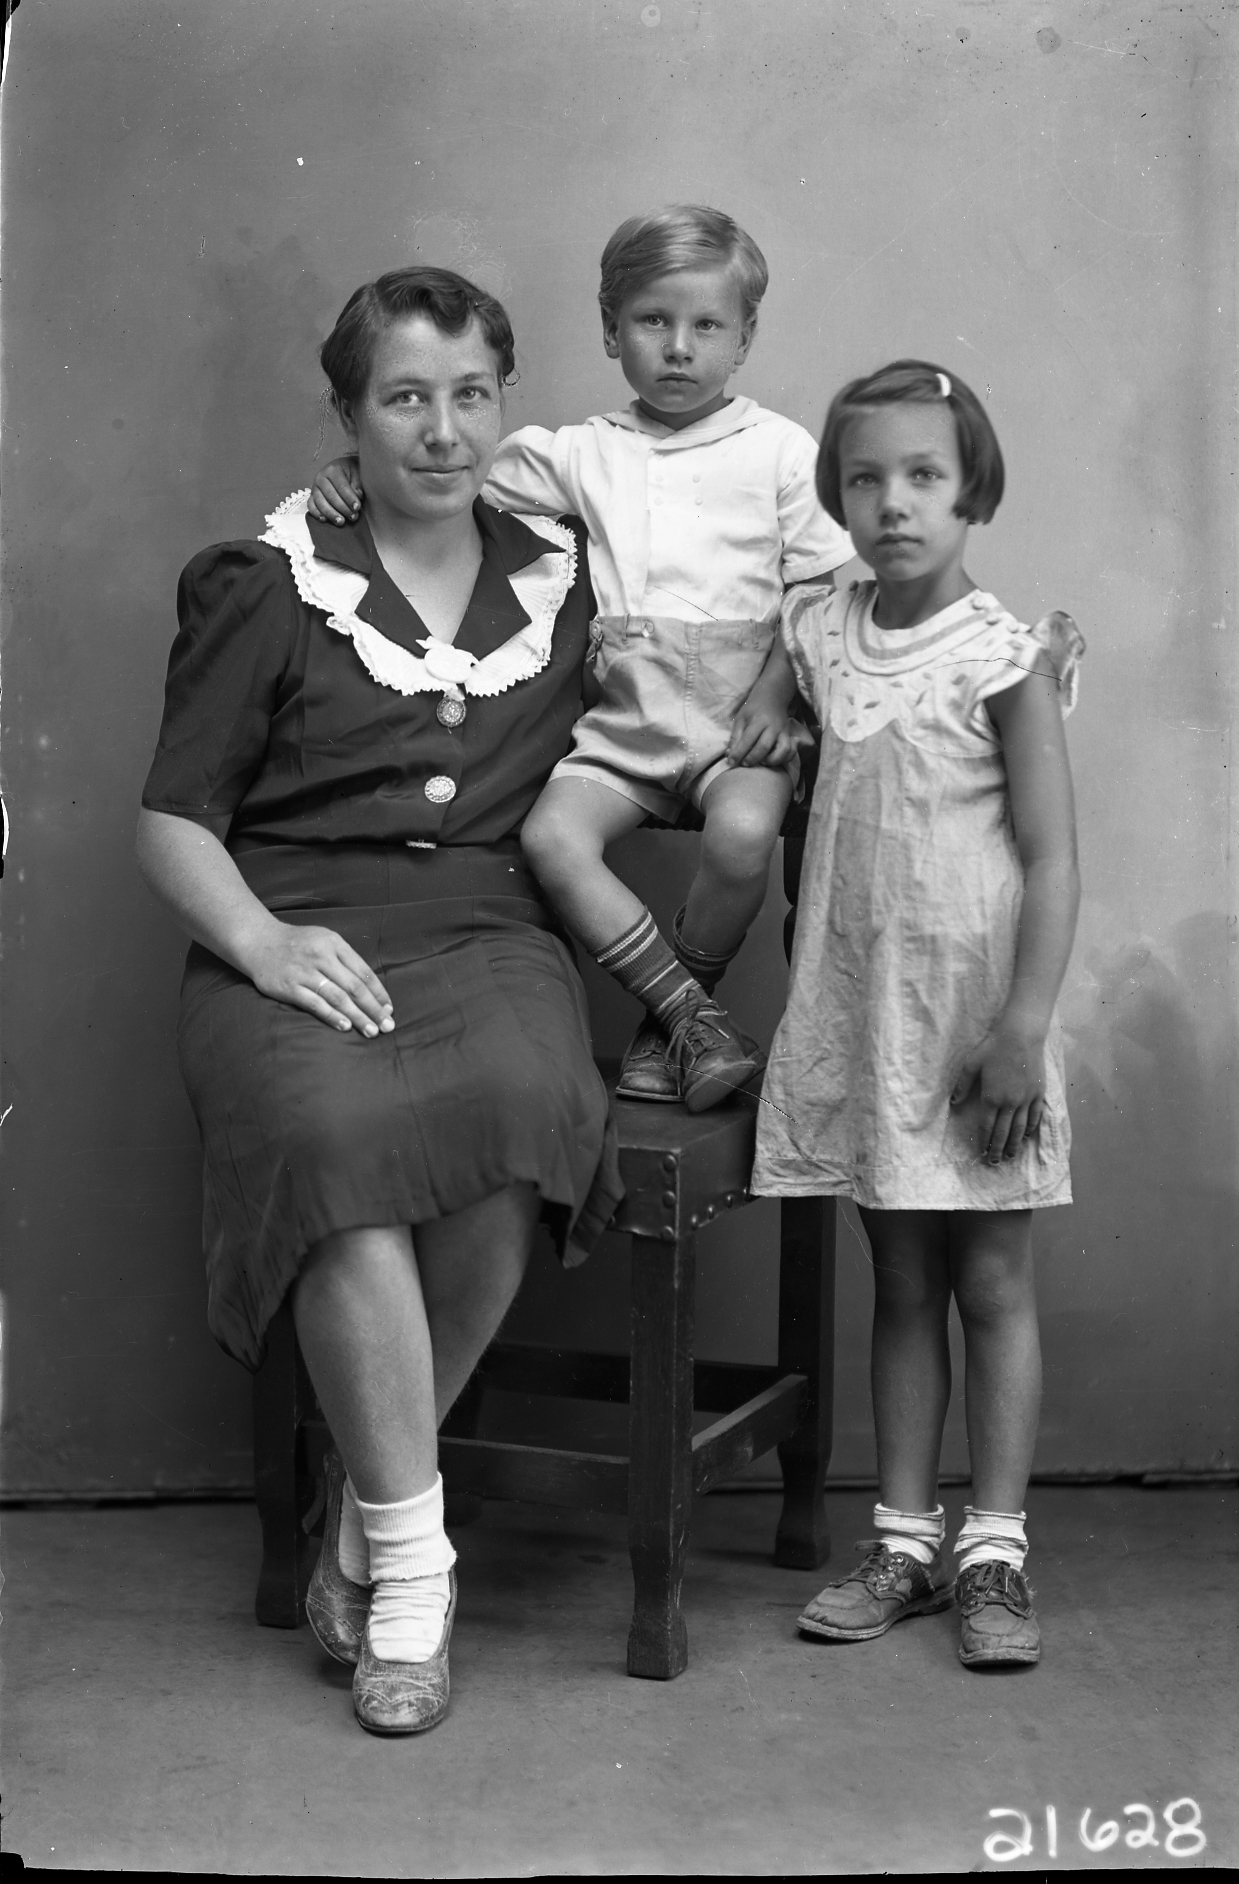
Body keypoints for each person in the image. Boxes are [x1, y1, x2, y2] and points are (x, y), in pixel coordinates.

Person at [136, 266, 622, 1735]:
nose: (442, 430)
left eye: (471, 394)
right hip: (291, 931)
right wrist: (261, 944)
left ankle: (366, 1498)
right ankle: (414, 1569)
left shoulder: (565, 573)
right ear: (347, 415)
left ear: (505, 401)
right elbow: (172, 820)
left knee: (525, 1108)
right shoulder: (271, 577)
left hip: (485, 933)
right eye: (404, 397)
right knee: (336, 1142)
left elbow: (745, 610)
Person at [310, 205, 854, 1111]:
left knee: (743, 836)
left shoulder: (780, 451)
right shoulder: (578, 453)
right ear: (610, 329)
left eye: (706, 325)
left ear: (745, 337)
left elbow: (819, 589)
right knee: (552, 839)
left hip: (739, 722)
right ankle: (690, 1017)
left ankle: (674, 1018)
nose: (677, 347)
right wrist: (349, 466)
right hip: (627, 721)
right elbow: (449, 463)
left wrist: (772, 696)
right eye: (651, 321)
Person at [747, 361, 1083, 1668]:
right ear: (836, 496)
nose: (893, 503)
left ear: (971, 490)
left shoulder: (1002, 658)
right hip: (870, 1015)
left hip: (974, 1026)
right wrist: (764, 712)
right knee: (898, 1283)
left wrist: (1021, 1031)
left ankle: (992, 1551)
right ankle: (902, 1541)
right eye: (865, 478)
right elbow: (779, 684)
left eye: (923, 476)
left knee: (987, 1282)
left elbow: (1051, 859)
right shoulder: (822, 629)